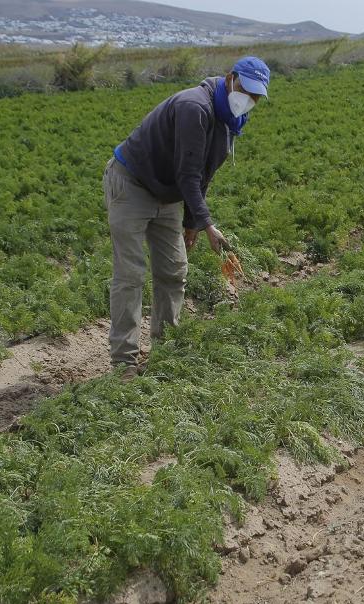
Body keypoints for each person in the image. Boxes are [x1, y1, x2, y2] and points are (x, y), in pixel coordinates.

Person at [103, 55, 270, 372]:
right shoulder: (195, 107)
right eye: (245, 90)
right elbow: (188, 175)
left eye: (256, 97)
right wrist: (208, 224)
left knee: (173, 270)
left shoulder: (228, 122)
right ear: (230, 77)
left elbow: (203, 176)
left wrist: (192, 224)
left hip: (167, 193)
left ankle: (166, 351)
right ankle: (124, 362)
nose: (248, 100)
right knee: (131, 274)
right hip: (132, 184)